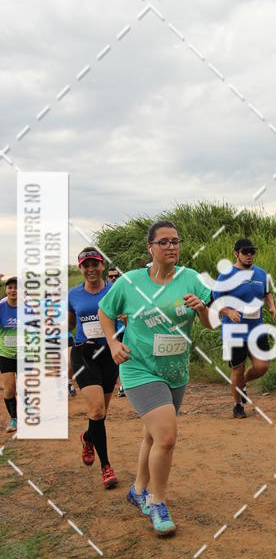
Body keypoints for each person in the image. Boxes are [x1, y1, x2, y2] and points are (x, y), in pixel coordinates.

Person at [98, 219, 212, 536]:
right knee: (166, 437)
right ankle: (157, 502)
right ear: (150, 248)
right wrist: (112, 342)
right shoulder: (130, 282)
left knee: (152, 435)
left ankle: (137, 489)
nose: (171, 246)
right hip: (139, 369)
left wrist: (202, 307)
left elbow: (211, 324)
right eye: (163, 242)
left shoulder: (190, 278)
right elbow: (105, 311)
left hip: (176, 371)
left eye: (175, 241)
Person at [68, 248, 119, 489]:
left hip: (109, 354)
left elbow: (126, 315)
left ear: (102, 265)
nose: (90, 269)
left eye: (94, 264)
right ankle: (106, 466)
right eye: (85, 265)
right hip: (84, 352)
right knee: (97, 410)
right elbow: (69, 323)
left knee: (100, 414)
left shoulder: (115, 290)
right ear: (80, 268)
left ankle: (88, 437)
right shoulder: (73, 294)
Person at [211, 238, 276, 418]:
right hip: (234, 331)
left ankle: (242, 384)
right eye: (245, 252)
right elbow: (215, 300)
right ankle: (237, 405)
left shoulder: (261, 273)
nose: (249, 256)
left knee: (262, 366)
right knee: (237, 369)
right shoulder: (226, 275)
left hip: (256, 328)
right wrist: (228, 312)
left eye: (252, 252)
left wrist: (272, 307)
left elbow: (266, 293)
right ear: (236, 254)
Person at [0, 277, 18, 433]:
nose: (13, 290)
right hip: (6, 354)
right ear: (6, 290)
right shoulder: (1, 307)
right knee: (9, 388)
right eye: (10, 287)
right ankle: (14, 418)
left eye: (16, 287)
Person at [106, 266, 126, 397]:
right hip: (111, 331)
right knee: (116, 357)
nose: (114, 278)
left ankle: (123, 384)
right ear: (107, 278)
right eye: (111, 276)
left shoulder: (123, 289)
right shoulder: (104, 291)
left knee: (126, 355)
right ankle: (120, 385)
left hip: (124, 327)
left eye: (116, 276)